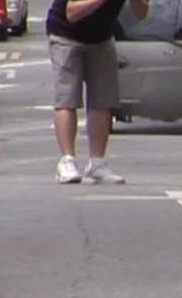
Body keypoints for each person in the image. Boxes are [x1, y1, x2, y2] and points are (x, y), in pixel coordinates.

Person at [46, 0, 149, 184]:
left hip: (102, 38)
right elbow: (72, 13)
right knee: (67, 97)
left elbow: (142, 14)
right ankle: (67, 160)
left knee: (103, 99)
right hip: (66, 34)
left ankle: (97, 163)